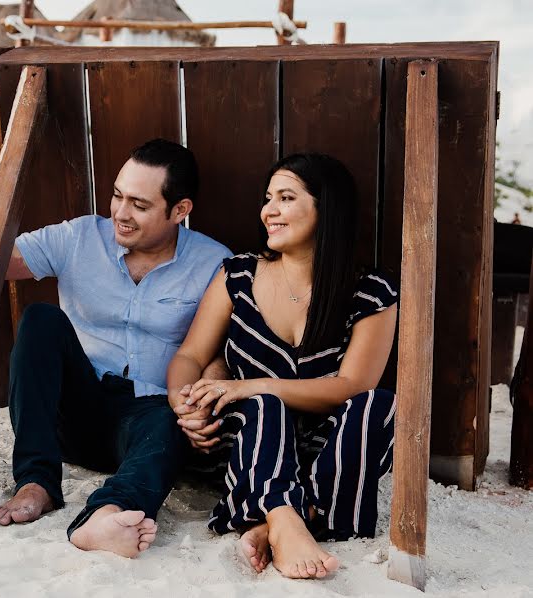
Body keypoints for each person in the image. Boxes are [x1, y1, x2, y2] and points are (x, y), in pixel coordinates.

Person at [0, 139, 230, 557]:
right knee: (40, 320)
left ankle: (106, 516)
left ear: (180, 210)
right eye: (117, 195)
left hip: (147, 420)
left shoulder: (214, 262)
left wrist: (203, 398)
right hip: (75, 412)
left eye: (139, 204)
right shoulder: (80, 236)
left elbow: (222, 351)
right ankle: (37, 483)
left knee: (169, 422)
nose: (120, 212)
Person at [167, 153, 398, 579]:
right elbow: (190, 356)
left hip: (325, 449)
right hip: (249, 444)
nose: (269, 210)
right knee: (263, 406)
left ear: (325, 208)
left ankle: (274, 519)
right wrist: (183, 404)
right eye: (268, 198)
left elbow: (352, 385)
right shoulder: (237, 275)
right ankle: (286, 513)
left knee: (377, 404)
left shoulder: (371, 293)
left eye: (286, 198)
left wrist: (250, 384)